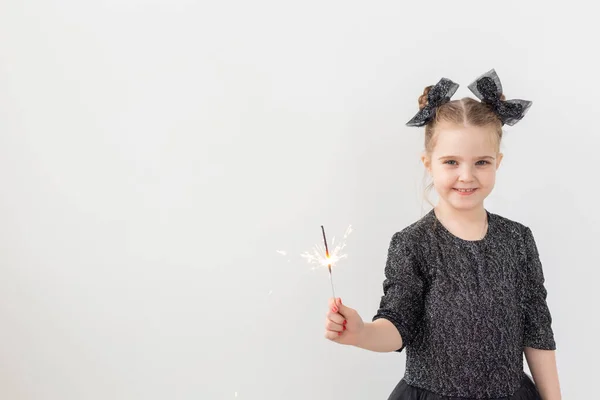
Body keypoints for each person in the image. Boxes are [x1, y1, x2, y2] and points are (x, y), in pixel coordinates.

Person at [323, 69, 561, 399]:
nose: (466, 175)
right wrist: (361, 332)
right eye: (451, 162)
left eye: (481, 162)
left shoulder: (517, 240)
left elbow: (536, 329)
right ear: (428, 162)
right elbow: (397, 324)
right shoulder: (413, 243)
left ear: (498, 162)